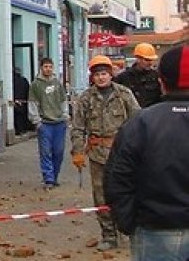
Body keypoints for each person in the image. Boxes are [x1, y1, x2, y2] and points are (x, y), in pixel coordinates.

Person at [104, 45, 189, 261]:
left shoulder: (141, 123)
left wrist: (129, 222)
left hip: (155, 231)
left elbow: (117, 177)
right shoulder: (140, 122)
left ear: (161, 81)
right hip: (152, 228)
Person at [70, 55, 140, 252]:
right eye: (97, 75)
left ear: (111, 75)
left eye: (104, 74)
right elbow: (77, 128)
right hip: (97, 155)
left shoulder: (124, 94)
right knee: (101, 196)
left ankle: (128, 230)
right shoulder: (85, 98)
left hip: (122, 154)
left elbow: (138, 121)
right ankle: (108, 235)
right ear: (92, 77)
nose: (101, 78)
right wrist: (77, 151)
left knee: (126, 192)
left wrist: (138, 149)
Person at [28, 57, 68, 189]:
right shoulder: (36, 85)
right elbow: (32, 103)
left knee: (59, 151)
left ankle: (55, 177)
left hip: (59, 123)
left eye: (50, 66)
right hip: (44, 123)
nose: (48, 69)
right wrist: (37, 121)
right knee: (46, 152)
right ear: (41, 68)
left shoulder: (58, 83)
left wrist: (65, 115)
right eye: (45, 66)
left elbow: (63, 100)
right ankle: (48, 179)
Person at [114, 42, 161, 108]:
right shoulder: (123, 77)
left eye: (152, 60)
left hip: (152, 115)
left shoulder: (157, 77)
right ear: (138, 59)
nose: (150, 63)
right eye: (147, 60)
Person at [13, 67, 31, 135]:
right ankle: (22, 129)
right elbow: (28, 90)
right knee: (22, 115)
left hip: (15, 100)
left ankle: (17, 130)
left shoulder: (11, 80)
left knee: (16, 115)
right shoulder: (24, 80)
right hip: (23, 100)